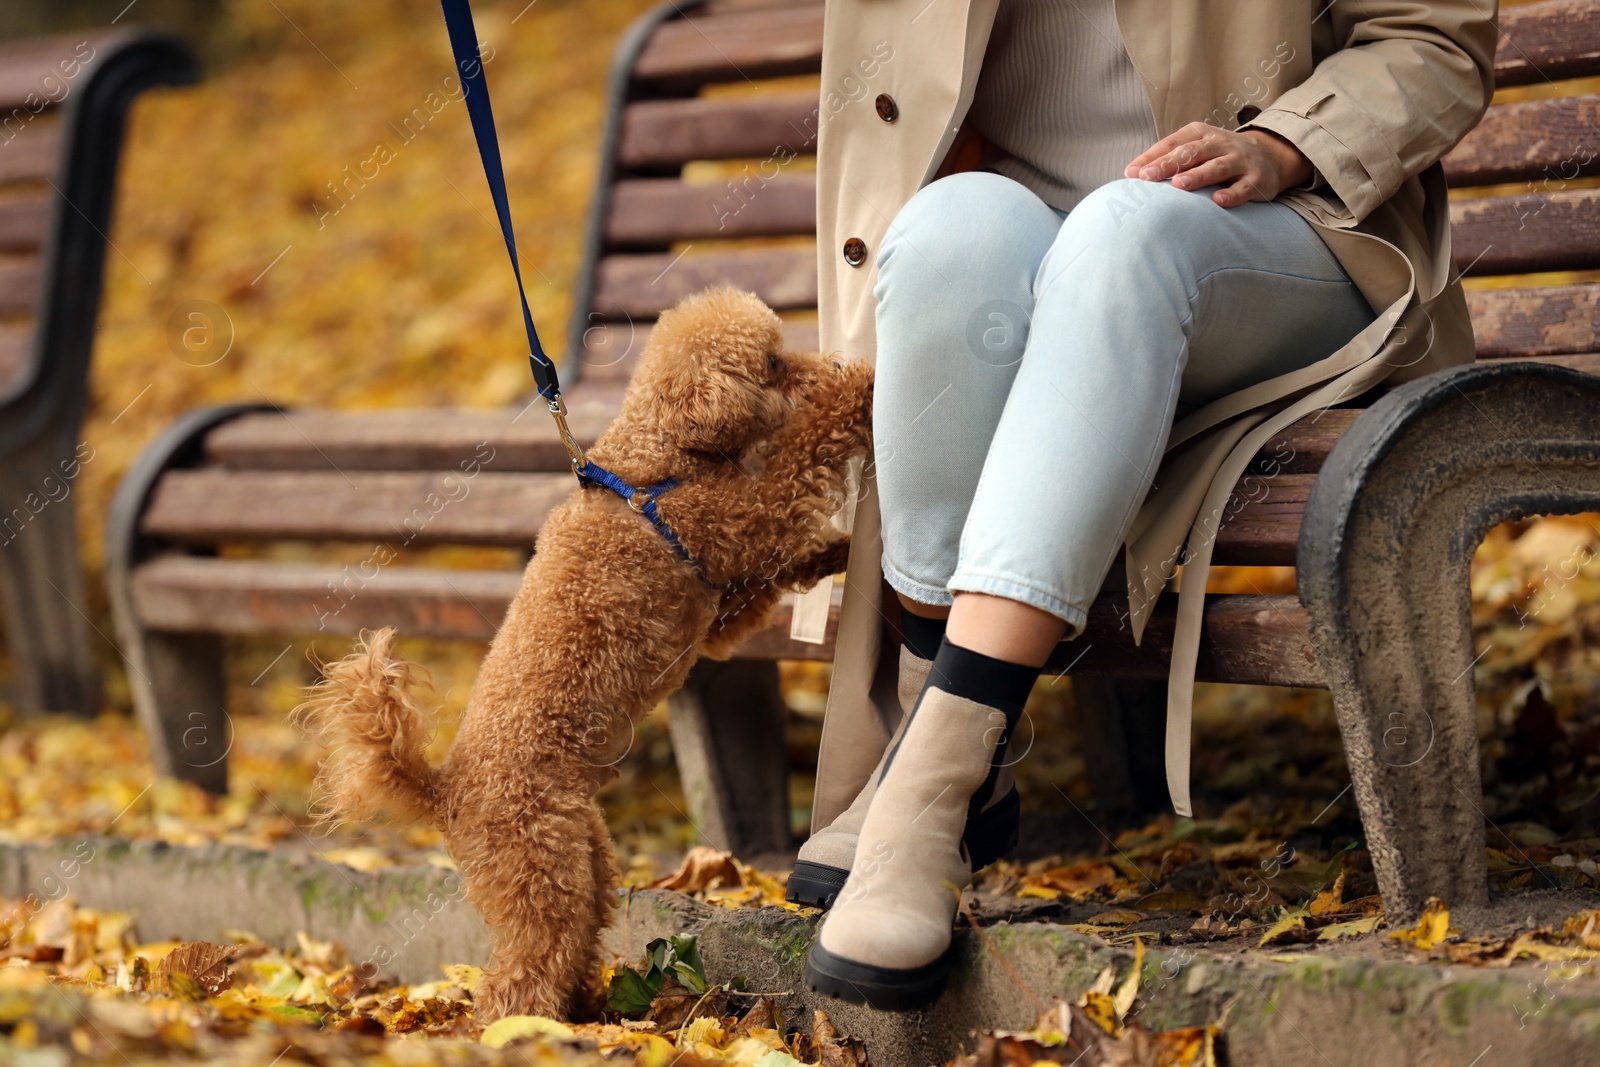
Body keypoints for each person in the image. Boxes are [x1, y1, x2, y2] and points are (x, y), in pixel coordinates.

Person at [794, 0, 1499, 1010]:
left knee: (1125, 233)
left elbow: (1436, 44)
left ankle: (929, 788)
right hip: (1029, 243)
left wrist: (1287, 141)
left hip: (1277, 241)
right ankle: (936, 729)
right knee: (948, 229)